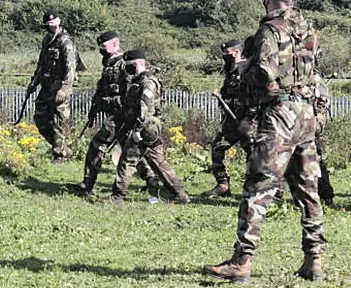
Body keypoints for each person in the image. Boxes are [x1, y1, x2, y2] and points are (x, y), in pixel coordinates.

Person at [202, 0, 325, 283]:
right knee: (308, 189)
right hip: (306, 114)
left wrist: (245, 71)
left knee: (259, 185)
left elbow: (264, 72)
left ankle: (242, 261)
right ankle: (314, 260)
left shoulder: (270, 30)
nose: (263, 1)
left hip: (280, 113)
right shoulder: (309, 31)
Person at [110, 50, 188, 204]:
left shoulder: (147, 82)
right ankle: (180, 194)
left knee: (127, 160)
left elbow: (146, 109)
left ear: (139, 62)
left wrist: (137, 131)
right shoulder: (138, 81)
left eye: (129, 65)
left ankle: (117, 196)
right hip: (147, 128)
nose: (126, 68)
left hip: (145, 128)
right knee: (158, 162)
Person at [72, 31, 132, 196]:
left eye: (104, 46)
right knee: (134, 151)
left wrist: (128, 115)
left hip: (121, 115)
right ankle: (152, 181)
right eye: (100, 47)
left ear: (115, 44)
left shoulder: (124, 64)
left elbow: (130, 92)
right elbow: (103, 87)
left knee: (97, 145)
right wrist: (95, 107)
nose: (101, 50)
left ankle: (88, 183)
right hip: (112, 113)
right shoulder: (108, 63)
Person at [29, 10, 79, 163]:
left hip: (59, 87)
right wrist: (33, 82)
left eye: (53, 21)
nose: (51, 24)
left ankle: (60, 155)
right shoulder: (47, 39)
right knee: (40, 118)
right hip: (46, 85)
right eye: (48, 22)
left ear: (59, 21)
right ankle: (63, 148)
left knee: (58, 121)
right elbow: (41, 64)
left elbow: (71, 68)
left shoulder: (65, 41)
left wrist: (65, 88)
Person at [206, 39, 249, 198]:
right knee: (217, 147)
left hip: (245, 121)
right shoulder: (230, 70)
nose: (225, 56)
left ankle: (254, 190)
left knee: (254, 155)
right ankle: (223, 185)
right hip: (230, 121)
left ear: (237, 52)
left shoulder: (247, 69)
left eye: (227, 53)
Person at [311, 70, 335, 206]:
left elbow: (322, 107)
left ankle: (325, 193)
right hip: (295, 123)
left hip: (311, 124)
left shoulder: (316, 80)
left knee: (316, 162)